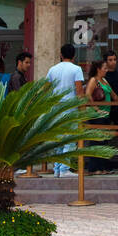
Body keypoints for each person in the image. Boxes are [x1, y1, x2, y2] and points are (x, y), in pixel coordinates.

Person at [45, 43, 86, 176]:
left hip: (56, 107)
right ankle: (64, 168)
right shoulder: (76, 69)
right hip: (70, 106)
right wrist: (82, 108)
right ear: (74, 55)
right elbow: (79, 90)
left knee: (58, 138)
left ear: (61, 55)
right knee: (69, 138)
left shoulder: (52, 69)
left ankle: (57, 168)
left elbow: (46, 88)